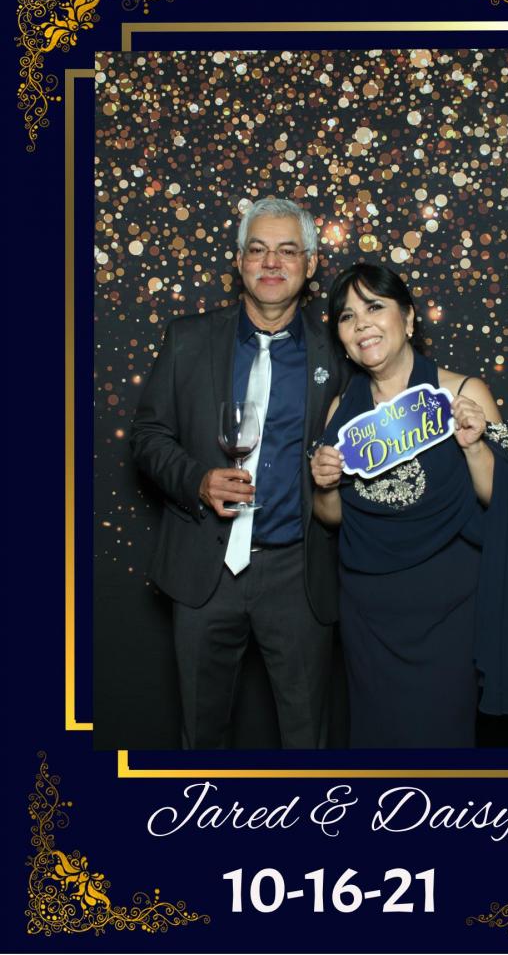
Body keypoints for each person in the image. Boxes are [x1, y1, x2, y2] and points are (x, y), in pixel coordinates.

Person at [130, 198, 347, 749]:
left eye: (287, 251)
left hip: (298, 574)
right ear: (239, 260)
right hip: (205, 569)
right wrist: (196, 481)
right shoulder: (188, 339)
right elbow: (149, 436)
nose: (271, 263)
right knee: (201, 739)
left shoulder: (338, 352)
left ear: (311, 263)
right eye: (258, 249)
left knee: (307, 740)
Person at [310, 262, 508, 748]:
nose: (362, 324)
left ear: (409, 318)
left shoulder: (464, 392)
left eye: (374, 307)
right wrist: (325, 485)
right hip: (368, 617)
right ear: (342, 338)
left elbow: (501, 498)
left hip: (448, 616)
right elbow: (332, 519)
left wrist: (474, 446)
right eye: (347, 317)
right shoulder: (339, 412)